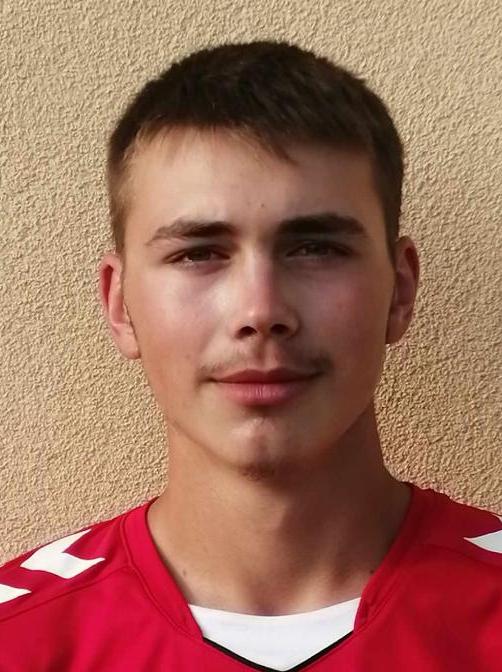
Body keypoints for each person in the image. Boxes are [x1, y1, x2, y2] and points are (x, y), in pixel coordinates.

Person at [0, 40, 500, 672]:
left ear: (400, 291)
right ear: (121, 304)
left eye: (315, 248)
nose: (261, 311)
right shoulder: (18, 639)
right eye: (199, 253)